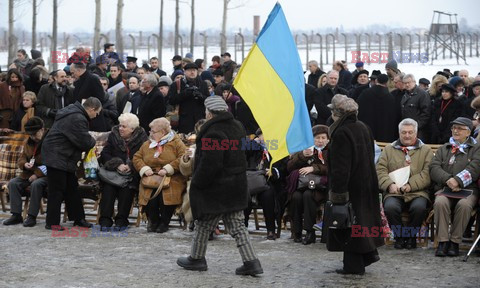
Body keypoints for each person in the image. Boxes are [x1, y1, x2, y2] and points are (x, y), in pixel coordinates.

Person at [177, 96, 263, 276]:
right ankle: (251, 262)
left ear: (209, 113)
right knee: (237, 226)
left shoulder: (212, 132)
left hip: (217, 188)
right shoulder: (237, 126)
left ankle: (197, 259)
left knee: (204, 224)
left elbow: (211, 164)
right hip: (236, 185)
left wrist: (198, 183)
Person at [327, 94, 383, 275]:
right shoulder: (363, 127)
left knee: (349, 225)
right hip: (366, 183)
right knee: (362, 224)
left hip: (351, 187)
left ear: (337, 114)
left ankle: (353, 266)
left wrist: (338, 195)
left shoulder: (341, 132)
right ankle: (365, 258)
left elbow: (340, 169)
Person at [42, 97, 102, 230]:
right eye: (96, 113)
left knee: (72, 188)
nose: (95, 116)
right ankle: (52, 222)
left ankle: (78, 218)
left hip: (62, 155)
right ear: (92, 109)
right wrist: (93, 142)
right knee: (56, 191)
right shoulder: (77, 118)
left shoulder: (72, 112)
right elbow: (84, 141)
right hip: (57, 155)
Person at [376, 118, 433, 249]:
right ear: (399, 133)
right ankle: (400, 236)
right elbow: (380, 170)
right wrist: (389, 184)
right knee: (390, 207)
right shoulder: (388, 150)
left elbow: (427, 173)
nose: (407, 135)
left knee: (419, 208)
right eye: (403, 132)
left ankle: (411, 237)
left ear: (416, 133)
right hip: (394, 192)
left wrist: (410, 185)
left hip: (418, 192)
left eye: (410, 132)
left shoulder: (426, 151)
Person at [430, 117, 480, 257]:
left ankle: (455, 242)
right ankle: (443, 242)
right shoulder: (444, 148)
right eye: (454, 128)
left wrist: (458, 181)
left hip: (468, 189)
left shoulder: (476, 148)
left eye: (460, 128)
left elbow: (475, 167)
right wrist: (448, 180)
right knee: (440, 202)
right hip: (445, 188)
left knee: (464, 205)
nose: (455, 131)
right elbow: (434, 167)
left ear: (468, 132)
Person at [133, 118, 186, 233]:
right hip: (151, 177)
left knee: (165, 196)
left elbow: (183, 157)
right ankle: (154, 220)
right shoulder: (147, 144)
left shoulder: (176, 142)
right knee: (151, 196)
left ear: (162, 132)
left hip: (172, 177)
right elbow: (137, 158)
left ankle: (164, 222)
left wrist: (168, 169)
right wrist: (144, 168)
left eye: (153, 131)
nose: (150, 133)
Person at [99, 113, 148, 230]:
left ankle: (121, 220)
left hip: (131, 173)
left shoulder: (142, 138)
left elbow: (145, 156)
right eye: (120, 125)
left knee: (127, 189)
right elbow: (105, 154)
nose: (120, 128)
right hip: (114, 172)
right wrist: (117, 164)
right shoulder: (113, 135)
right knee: (108, 188)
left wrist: (131, 165)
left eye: (124, 127)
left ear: (132, 129)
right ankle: (105, 220)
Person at [287, 125, 329, 245]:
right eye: (317, 138)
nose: (320, 141)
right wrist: (302, 156)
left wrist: (314, 168)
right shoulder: (306, 149)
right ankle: (297, 231)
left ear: (327, 139)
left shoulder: (330, 150)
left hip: (321, 187)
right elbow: (289, 167)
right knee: (295, 197)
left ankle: (310, 232)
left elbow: (332, 169)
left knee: (308, 195)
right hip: (302, 184)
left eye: (323, 138)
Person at [3, 117, 48, 227]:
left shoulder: (50, 140)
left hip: (47, 174)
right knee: (13, 183)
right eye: (30, 134)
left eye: (34, 133)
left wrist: (36, 175)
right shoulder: (28, 141)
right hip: (28, 173)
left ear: (42, 129)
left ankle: (32, 216)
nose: (32, 137)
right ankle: (16, 215)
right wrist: (24, 164)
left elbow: (52, 162)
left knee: (36, 184)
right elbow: (22, 158)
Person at [168, 63, 209, 134]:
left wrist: (200, 96)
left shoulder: (203, 84)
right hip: (183, 119)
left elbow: (208, 101)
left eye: (194, 70)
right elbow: (171, 100)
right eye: (190, 70)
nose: (192, 72)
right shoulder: (177, 84)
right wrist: (184, 94)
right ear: (184, 72)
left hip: (200, 119)